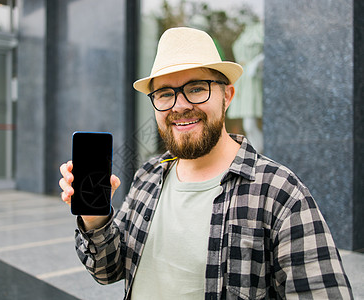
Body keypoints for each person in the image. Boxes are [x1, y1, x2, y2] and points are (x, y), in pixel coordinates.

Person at [59, 27, 353, 299]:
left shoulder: (278, 191)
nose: (180, 105)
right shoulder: (147, 176)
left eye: (197, 88)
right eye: (164, 93)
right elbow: (107, 271)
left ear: (227, 95)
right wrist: (95, 218)